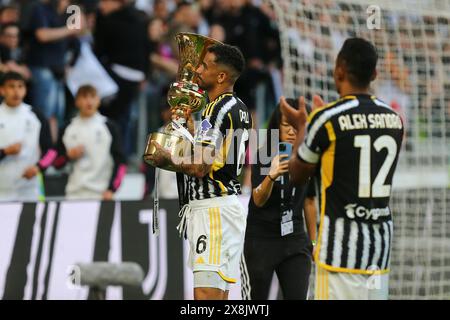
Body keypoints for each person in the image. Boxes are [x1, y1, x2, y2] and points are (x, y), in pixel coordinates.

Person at [281, 38, 404, 300]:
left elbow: (297, 174)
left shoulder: (326, 119)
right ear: (374, 74)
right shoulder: (394, 119)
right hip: (378, 251)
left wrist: (303, 128)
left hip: (340, 252)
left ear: (339, 69)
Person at [146, 43, 252, 300]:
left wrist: (165, 156)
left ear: (221, 76)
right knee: (218, 296)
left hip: (212, 211)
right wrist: (188, 129)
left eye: (205, 66)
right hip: (225, 207)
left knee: (205, 296)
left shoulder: (216, 109)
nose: (197, 70)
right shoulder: (238, 107)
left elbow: (200, 166)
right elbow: (215, 156)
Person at [241, 99, 317, 300]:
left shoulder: (308, 159)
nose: (292, 132)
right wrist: (271, 176)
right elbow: (257, 199)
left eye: (297, 126)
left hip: (295, 240)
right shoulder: (264, 155)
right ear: (276, 127)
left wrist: (314, 241)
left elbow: (309, 201)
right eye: (286, 126)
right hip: (261, 240)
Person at [53, 85, 127, 200]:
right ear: (77, 101)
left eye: (92, 96)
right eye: (84, 97)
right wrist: (68, 156)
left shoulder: (109, 127)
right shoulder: (67, 128)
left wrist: (112, 189)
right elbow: (56, 163)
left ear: (98, 100)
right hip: (73, 194)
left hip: (101, 194)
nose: (89, 101)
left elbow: (121, 162)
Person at [0, 71, 56, 201]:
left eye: (20, 86)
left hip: (30, 192)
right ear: (2, 90)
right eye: (11, 86)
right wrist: (5, 152)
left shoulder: (36, 116)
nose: (16, 91)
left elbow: (51, 152)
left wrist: (38, 167)